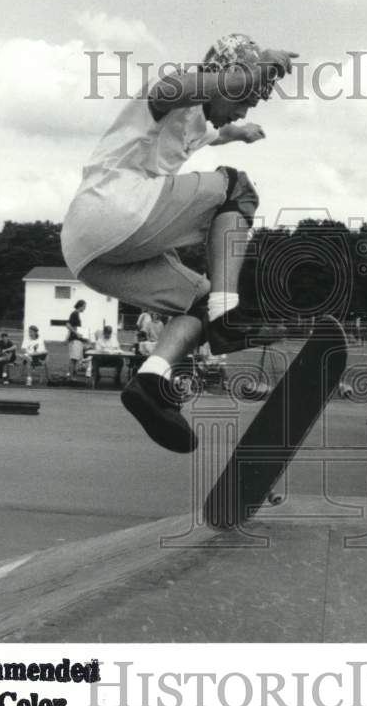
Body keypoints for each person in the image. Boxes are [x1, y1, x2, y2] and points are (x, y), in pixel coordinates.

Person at [61, 34, 296, 452]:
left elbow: (209, 132)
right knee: (236, 189)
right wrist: (258, 70)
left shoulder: (196, 126)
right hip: (111, 208)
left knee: (197, 303)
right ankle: (229, 313)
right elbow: (198, 87)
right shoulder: (169, 90)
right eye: (243, 98)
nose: (242, 107)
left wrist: (239, 130)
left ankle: (151, 381)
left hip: (89, 257)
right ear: (223, 78)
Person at [66, 299, 88, 376]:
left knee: (74, 359)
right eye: (84, 306)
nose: (85, 308)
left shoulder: (77, 314)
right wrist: (77, 333)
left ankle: (71, 375)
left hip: (76, 339)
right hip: (74, 339)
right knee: (73, 359)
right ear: (80, 306)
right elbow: (68, 325)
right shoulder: (74, 313)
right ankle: (71, 376)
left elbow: (74, 327)